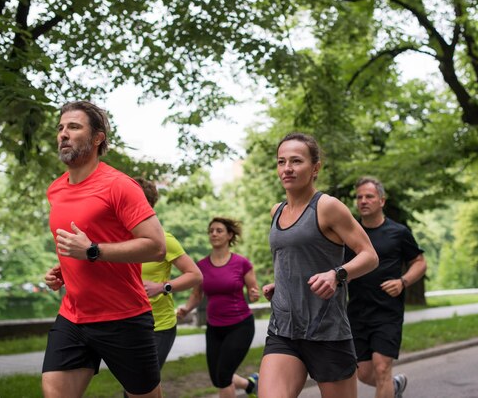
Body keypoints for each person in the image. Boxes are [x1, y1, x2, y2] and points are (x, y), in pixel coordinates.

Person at [42, 101, 167, 398]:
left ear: (98, 138)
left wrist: (93, 252)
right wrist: (66, 268)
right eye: (60, 127)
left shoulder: (119, 186)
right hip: (73, 315)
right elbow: (82, 243)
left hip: (122, 317)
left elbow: (156, 246)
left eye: (73, 127)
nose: (63, 134)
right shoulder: (56, 189)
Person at [258, 132, 379, 398]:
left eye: (296, 161)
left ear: (315, 168)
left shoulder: (327, 207)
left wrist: (337, 275)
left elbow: (369, 255)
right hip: (284, 330)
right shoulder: (276, 211)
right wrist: (282, 284)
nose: (287, 168)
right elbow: (295, 259)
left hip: (326, 331)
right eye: (281, 162)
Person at [344, 176, 427, 398]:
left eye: (369, 196)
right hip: (357, 312)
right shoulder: (350, 233)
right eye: (359, 197)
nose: (363, 201)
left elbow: (419, 262)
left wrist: (403, 281)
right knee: (363, 373)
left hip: (387, 311)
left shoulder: (398, 232)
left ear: (381, 201)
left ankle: (389, 384)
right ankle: (395, 387)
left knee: (382, 368)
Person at [177, 217, 260, 398]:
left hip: (240, 325)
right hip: (214, 327)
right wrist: (186, 309)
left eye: (219, 230)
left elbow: (253, 291)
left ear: (229, 235)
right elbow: (197, 295)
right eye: (211, 230)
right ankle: (250, 384)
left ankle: (249, 385)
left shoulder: (241, 263)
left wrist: (254, 295)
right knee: (216, 378)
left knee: (223, 376)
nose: (214, 233)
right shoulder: (201, 266)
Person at [135, 177, 203, 385]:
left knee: (141, 384)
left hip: (159, 326)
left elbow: (195, 275)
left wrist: (163, 287)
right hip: (128, 325)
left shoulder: (163, 239)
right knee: (135, 387)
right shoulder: (116, 239)